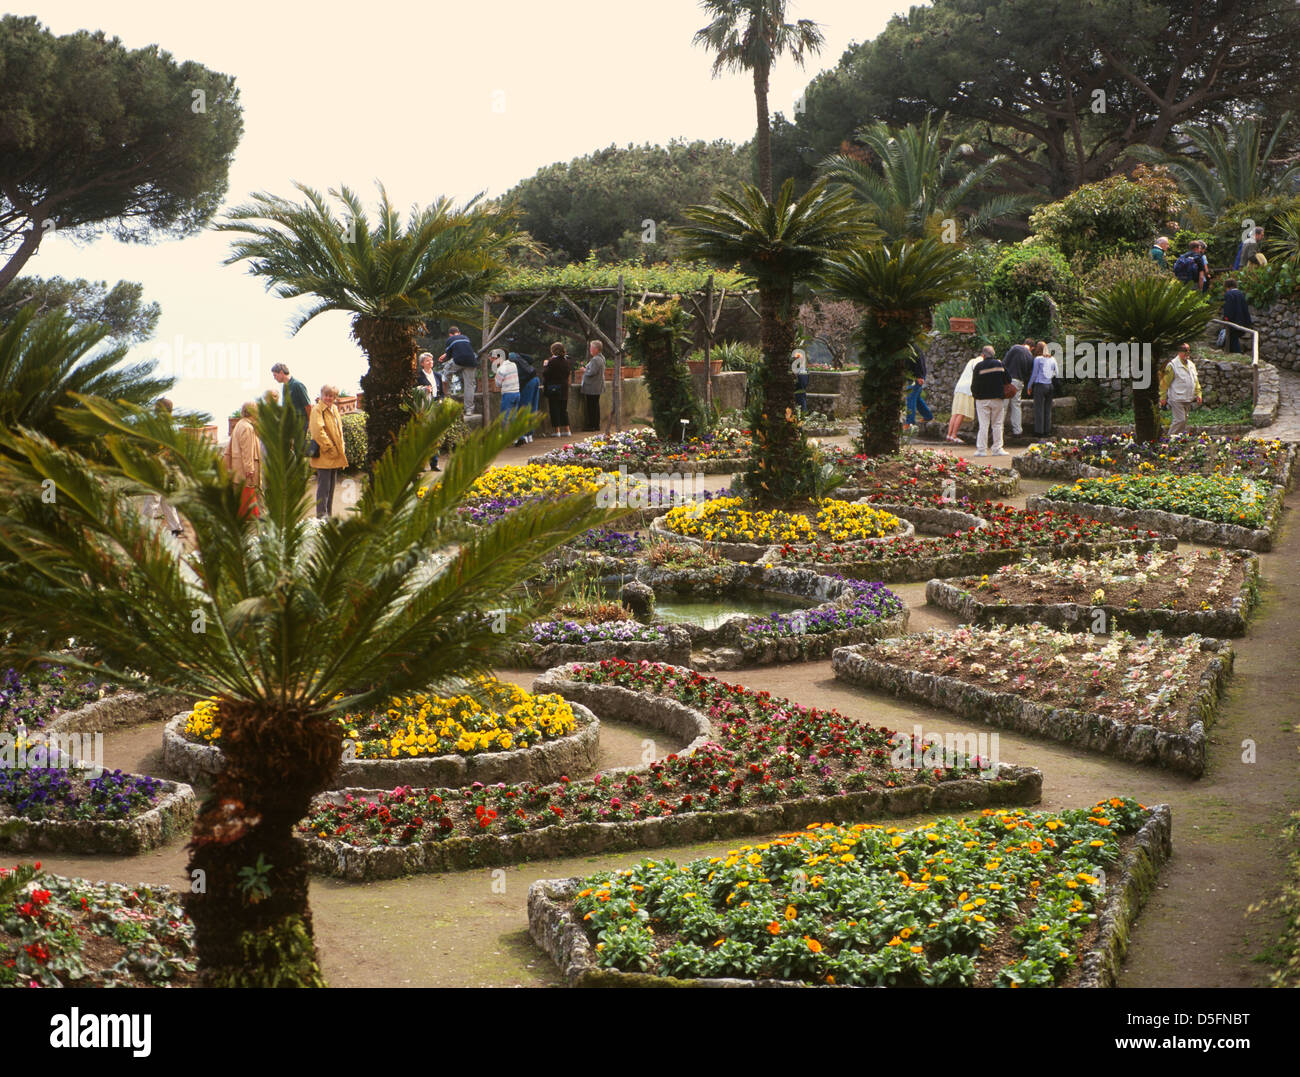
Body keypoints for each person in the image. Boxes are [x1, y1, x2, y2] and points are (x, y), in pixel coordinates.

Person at [146, 397, 183, 542]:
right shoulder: (171, 425)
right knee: (167, 499)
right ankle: (176, 527)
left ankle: (145, 528)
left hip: (158, 467)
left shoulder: (158, 426)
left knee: (152, 499)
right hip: (169, 467)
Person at [308, 385, 347, 518]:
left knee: (331, 489)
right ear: (322, 395)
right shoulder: (317, 410)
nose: (329, 398)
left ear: (335, 397)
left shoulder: (334, 408)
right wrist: (330, 448)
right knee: (323, 489)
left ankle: (327, 516)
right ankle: (321, 517)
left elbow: (338, 430)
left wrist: (340, 448)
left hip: (335, 454)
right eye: (326, 395)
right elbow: (318, 432)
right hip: (325, 455)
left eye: (331, 396)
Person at [971, 345, 1012, 457]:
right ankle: (997, 448)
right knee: (998, 424)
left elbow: (974, 385)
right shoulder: (999, 364)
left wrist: (976, 396)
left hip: (982, 400)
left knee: (984, 425)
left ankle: (981, 450)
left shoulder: (979, 366)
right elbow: (1008, 379)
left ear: (983, 355)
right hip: (997, 399)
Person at [1160, 343, 1202, 436]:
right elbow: (1164, 383)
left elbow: (1196, 381)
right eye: (1184, 351)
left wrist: (1198, 394)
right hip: (1176, 398)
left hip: (1188, 398)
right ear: (1179, 352)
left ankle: (1177, 440)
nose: (1187, 353)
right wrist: (1163, 397)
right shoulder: (1172, 365)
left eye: (1188, 350)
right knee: (1180, 420)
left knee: (1184, 421)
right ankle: (1169, 440)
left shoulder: (1191, 365)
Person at [229, 402, 262, 518]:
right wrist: (250, 468)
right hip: (245, 467)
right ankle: (252, 515)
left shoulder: (240, 424)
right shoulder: (247, 428)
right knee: (249, 491)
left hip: (238, 465)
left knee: (242, 493)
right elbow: (247, 450)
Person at [440, 326, 479, 416]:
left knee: (446, 371)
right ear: (459, 332)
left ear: (450, 335)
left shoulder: (450, 340)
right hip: (472, 361)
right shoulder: (466, 338)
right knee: (469, 385)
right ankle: (469, 410)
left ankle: (447, 395)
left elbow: (449, 356)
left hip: (459, 361)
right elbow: (463, 349)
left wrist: (443, 358)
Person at [1001, 338, 1035, 437]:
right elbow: (1028, 373)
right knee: (1016, 405)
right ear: (1032, 347)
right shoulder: (1030, 356)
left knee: (1003, 406)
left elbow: (1003, 363)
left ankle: (999, 430)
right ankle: (1017, 430)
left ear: (1024, 343)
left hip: (1008, 381)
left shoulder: (1015, 348)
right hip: (1019, 382)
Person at [416, 352, 444, 471]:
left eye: (431, 360)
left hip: (436, 406)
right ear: (422, 363)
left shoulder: (437, 375)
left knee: (435, 436)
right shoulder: (418, 376)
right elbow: (413, 391)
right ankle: (421, 464)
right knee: (423, 436)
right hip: (423, 408)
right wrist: (423, 389)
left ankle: (435, 463)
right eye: (427, 360)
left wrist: (441, 400)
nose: (430, 362)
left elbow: (442, 392)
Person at [946, 353, 980, 443]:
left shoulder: (972, 360)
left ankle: (949, 435)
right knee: (962, 412)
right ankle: (954, 435)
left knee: (956, 412)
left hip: (959, 387)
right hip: (967, 388)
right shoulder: (980, 362)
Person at [1027, 341, 1059, 437]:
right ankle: (1047, 431)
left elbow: (1034, 374)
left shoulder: (1038, 359)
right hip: (1049, 386)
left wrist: (1029, 386)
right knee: (1048, 409)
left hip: (1040, 385)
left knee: (1039, 409)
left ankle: (1039, 432)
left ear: (1038, 349)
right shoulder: (1053, 359)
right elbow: (1056, 373)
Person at [509, 351, 540, 446]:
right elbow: (531, 359)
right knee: (532, 408)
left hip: (526, 383)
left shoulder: (507, 361)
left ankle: (523, 435)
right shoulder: (515, 354)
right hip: (535, 379)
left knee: (523, 409)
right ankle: (529, 434)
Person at [542, 342, 572, 437]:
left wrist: (545, 365)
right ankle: (567, 430)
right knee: (563, 409)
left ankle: (557, 431)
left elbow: (546, 374)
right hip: (564, 387)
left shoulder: (551, 362)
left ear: (553, 351)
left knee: (554, 409)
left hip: (554, 388)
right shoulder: (566, 361)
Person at [271, 363, 311, 428]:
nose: (274, 378)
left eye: (275, 375)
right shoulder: (285, 387)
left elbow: (308, 406)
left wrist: (310, 423)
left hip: (301, 424)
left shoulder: (297, 385)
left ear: (281, 373)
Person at [903, 344, 932, 430]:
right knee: (917, 398)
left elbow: (919, 362)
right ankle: (928, 416)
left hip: (916, 377)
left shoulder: (913, 348)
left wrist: (920, 376)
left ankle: (909, 422)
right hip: (913, 376)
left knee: (910, 398)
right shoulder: (911, 347)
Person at [1221, 279, 1253, 355]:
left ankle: (1238, 354)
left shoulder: (1229, 294)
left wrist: (1226, 319)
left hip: (1233, 321)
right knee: (1234, 338)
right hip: (1242, 320)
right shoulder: (1241, 294)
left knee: (1232, 339)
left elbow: (1228, 309)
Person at [493, 349, 521, 430]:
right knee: (514, 416)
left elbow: (498, 384)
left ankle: (504, 436)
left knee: (504, 417)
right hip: (517, 392)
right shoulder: (513, 365)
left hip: (508, 394)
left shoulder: (501, 369)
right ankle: (518, 437)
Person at [581, 340, 606, 432]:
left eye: (591, 347)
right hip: (597, 386)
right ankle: (595, 425)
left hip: (592, 387)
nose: (590, 349)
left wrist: (584, 370)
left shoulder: (596, 359)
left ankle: (592, 425)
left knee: (592, 406)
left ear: (596, 349)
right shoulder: (601, 358)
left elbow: (591, 372)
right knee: (595, 406)